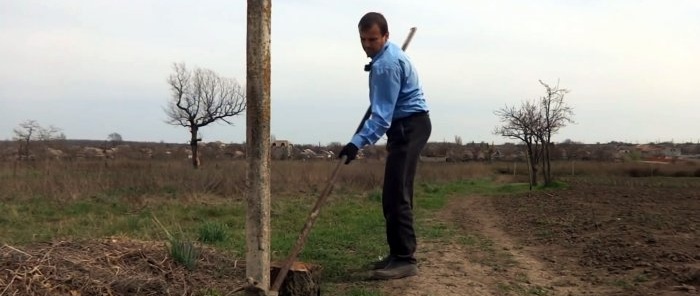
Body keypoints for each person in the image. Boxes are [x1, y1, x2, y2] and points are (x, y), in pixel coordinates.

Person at [338, 12, 432, 280]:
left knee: (396, 193)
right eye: (363, 39)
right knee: (394, 193)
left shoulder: (386, 66)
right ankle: (397, 254)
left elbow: (381, 118)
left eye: (373, 39)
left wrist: (356, 144)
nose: (368, 45)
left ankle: (405, 259)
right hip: (407, 125)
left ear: (386, 36)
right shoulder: (385, 57)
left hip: (408, 126)